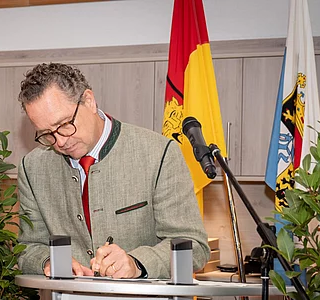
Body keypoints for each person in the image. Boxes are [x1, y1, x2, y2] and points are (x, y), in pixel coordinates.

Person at [16, 63, 209, 279]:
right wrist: (48, 260)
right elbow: (27, 248)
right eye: (46, 134)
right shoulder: (32, 168)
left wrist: (137, 263)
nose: (60, 142)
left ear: (89, 101)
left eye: (64, 125)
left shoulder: (159, 154)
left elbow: (194, 247)